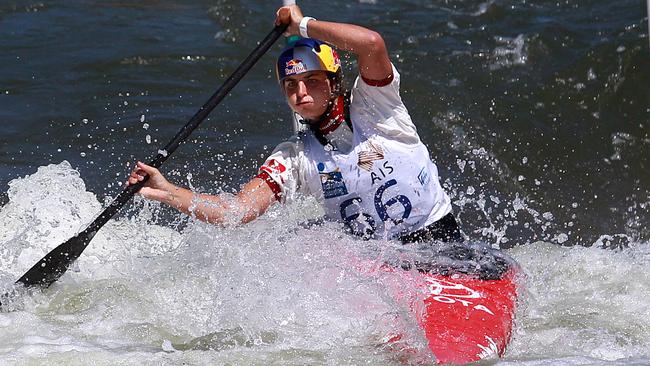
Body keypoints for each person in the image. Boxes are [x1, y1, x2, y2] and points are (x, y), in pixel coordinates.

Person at [127, 5, 463, 244]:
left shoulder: (376, 106)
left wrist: (302, 26)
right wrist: (168, 191)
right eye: (291, 85)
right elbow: (237, 211)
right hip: (385, 270)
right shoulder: (294, 158)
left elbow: (371, 44)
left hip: (444, 242)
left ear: (334, 82)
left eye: (312, 80)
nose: (300, 92)